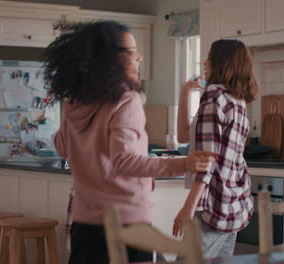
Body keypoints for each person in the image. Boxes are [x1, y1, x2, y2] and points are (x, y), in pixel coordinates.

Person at [43, 21, 213, 264]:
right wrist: (183, 164)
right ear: (110, 59)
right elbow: (124, 162)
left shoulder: (76, 100)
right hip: (127, 221)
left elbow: (62, 147)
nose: (139, 58)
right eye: (132, 52)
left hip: (85, 221)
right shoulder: (126, 98)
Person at [172, 39, 259, 258]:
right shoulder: (237, 101)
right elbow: (183, 136)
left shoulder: (214, 96)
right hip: (234, 203)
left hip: (212, 205)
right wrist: (185, 91)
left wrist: (188, 207)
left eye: (209, 57)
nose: (204, 62)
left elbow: (206, 160)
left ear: (221, 62)